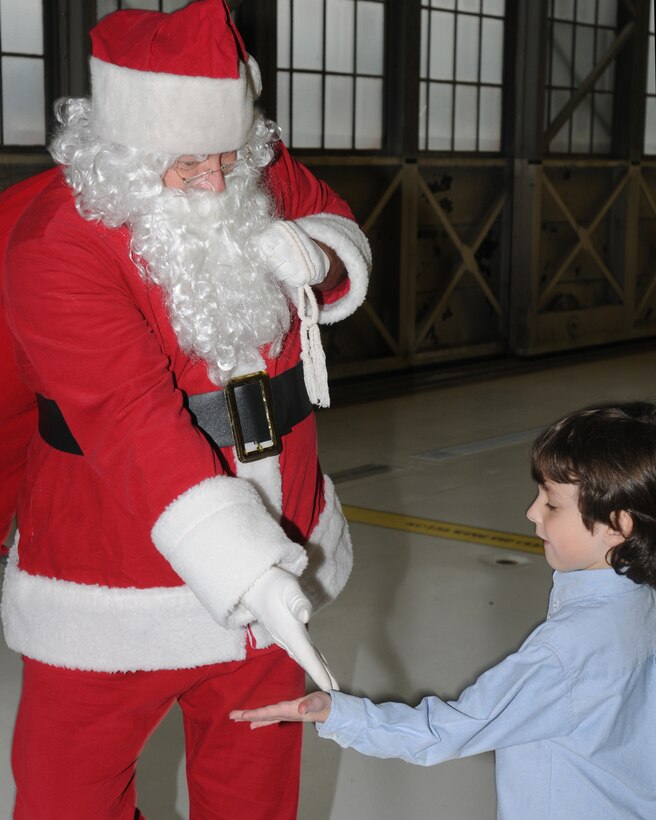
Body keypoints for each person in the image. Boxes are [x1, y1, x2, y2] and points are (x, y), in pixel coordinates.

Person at [0, 1, 370, 818]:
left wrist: (314, 251)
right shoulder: (56, 243)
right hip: (113, 572)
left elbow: (341, 231)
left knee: (253, 792)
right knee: (69, 797)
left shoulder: (259, 172)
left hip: (283, 533)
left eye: (226, 155)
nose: (216, 181)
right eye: (187, 163)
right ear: (123, 153)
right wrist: (251, 575)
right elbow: (131, 421)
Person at [231, 402, 656, 819]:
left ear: (617, 526)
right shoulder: (643, 600)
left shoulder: (565, 653)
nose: (531, 511)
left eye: (552, 504)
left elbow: (449, 730)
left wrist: (337, 713)